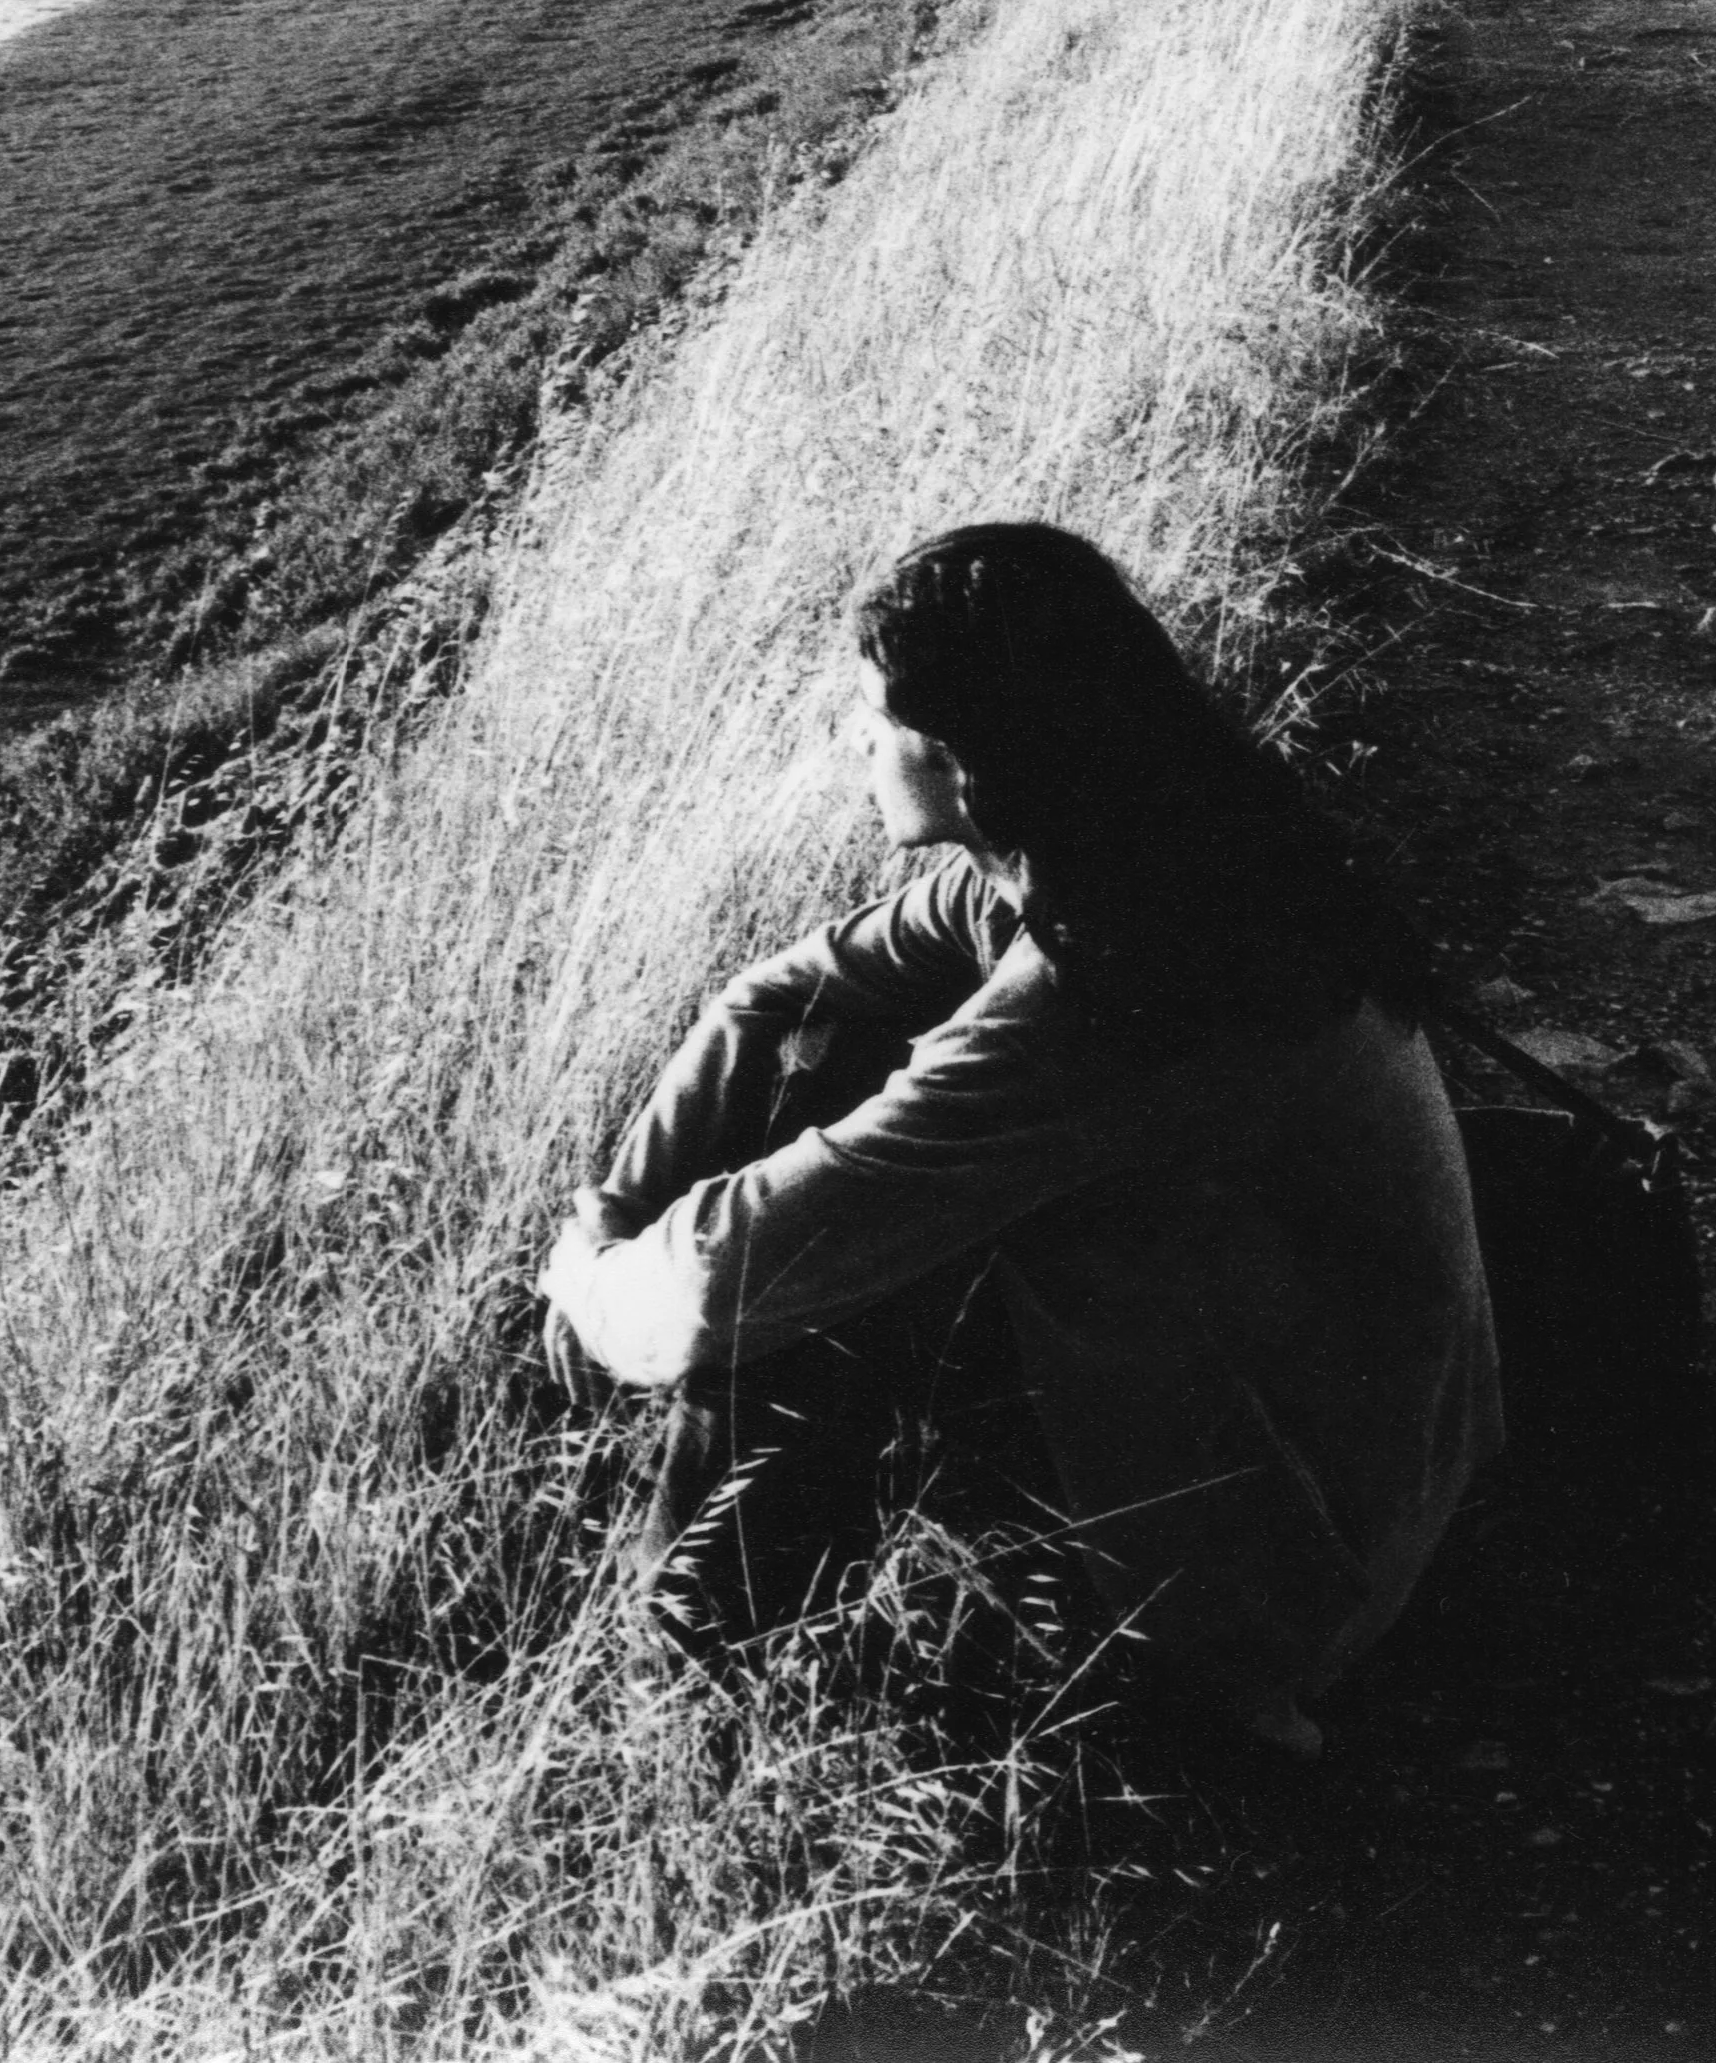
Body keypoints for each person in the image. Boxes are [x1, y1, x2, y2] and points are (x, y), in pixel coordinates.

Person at [540, 522, 1501, 1753]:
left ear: (968, 750)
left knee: (803, 1277)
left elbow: (723, 1284)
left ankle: (677, 1680)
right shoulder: (1157, 849)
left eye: (873, 712)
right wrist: (624, 1210)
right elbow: (775, 996)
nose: (856, 740)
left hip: (1302, 1563)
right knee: (830, 1081)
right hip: (1381, 1456)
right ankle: (710, 1626)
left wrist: (586, 1281)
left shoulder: (1107, 990)